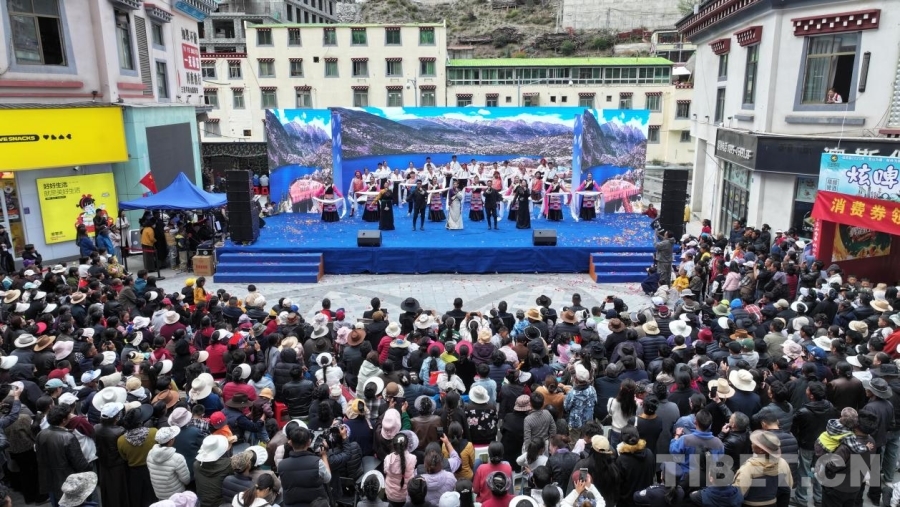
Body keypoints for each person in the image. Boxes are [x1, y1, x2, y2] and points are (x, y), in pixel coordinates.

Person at [36, 405, 91, 507]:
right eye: (69, 415)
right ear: (64, 420)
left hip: (50, 478)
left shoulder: (41, 434)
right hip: (67, 480)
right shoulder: (68, 437)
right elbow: (80, 463)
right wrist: (89, 469)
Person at [279, 426, 331, 507]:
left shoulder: (282, 465)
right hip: (316, 504)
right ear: (309, 442)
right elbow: (327, 478)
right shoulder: (317, 463)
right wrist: (324, 456)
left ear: (290, 442)